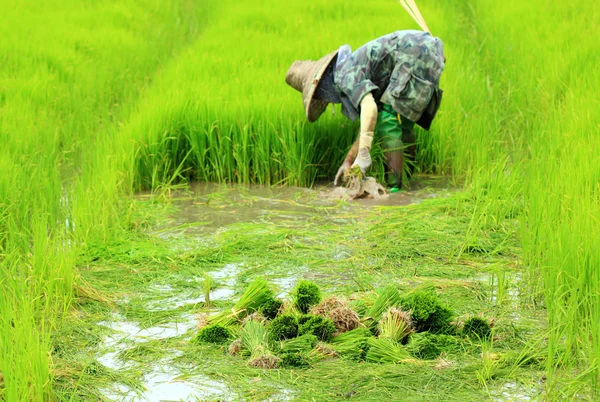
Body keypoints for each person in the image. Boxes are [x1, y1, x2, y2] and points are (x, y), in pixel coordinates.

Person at [285, 30, 445, 189]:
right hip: (424, 49)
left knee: (387, 121)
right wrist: (348, 161)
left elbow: (370, 108)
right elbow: (366, 124)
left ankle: (396, 189)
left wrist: (364, 153)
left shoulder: (343, 75)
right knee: (403, 122)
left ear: (322, 87)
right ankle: (408, 182)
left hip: (412, 54)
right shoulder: (351, 67)